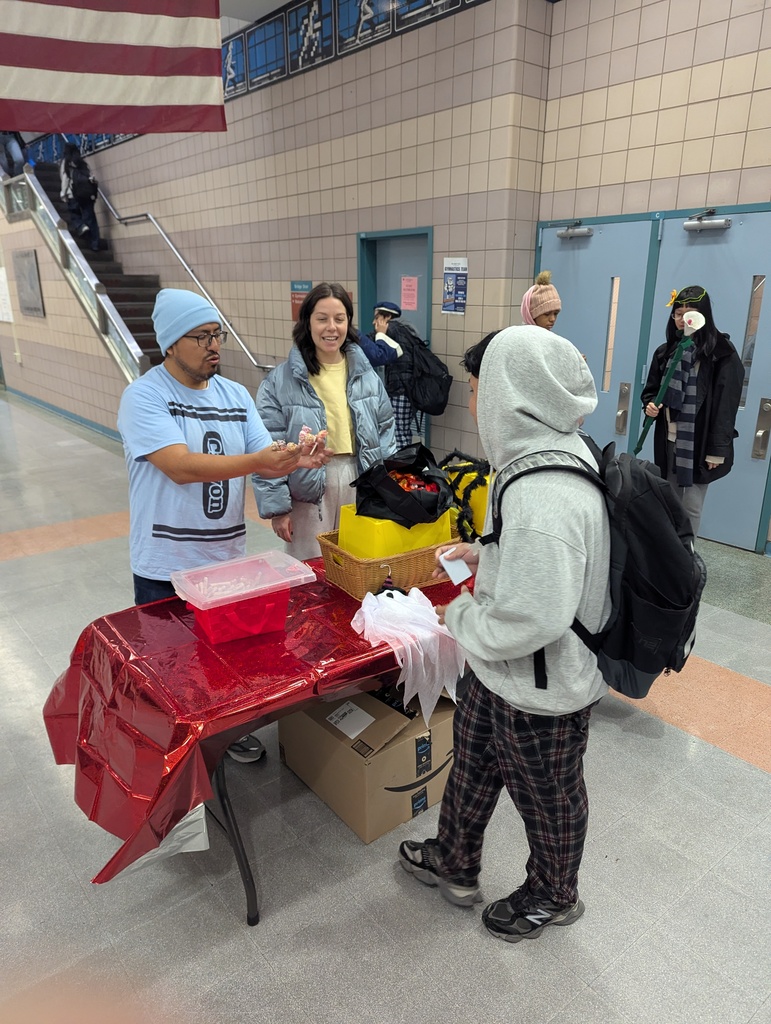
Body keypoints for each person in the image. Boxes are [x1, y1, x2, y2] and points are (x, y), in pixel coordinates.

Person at [397, 324, 611, 944]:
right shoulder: (534, 458)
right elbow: (534, 565)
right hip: (502, 670)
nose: (470, 402)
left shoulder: (546, 491)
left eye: (475, 388)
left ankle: (554, 893)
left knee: (549, 799)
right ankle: (454, 860)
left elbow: (535, 615)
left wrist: (460, 619)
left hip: (543, 688)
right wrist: (487, 554)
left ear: (507, 393)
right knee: (472, 767)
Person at [117, 288, 331, 763]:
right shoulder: (145, 397)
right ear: (171, 342)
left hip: (225, 562)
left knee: (220, 663)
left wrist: (298, 458)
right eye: (202, 336)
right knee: (169, 666)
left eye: (219, 335)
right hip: (165, 565)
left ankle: (222, 735)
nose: (215, 345)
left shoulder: (235, 395)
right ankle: (174, 756)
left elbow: (264, 461)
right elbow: (180, 465)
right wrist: (260, 459)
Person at [254, 282, 397, 560]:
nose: (331, 327)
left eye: (339, 319)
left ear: (348, 323)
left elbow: (385, 433)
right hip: (307, 486)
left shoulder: (367, 375)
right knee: (310, 569)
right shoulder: (280, 381)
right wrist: (278, 508)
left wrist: (388, 489)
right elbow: (269, 445)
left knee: (358, 564)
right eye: (322, 319)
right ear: (307, 322)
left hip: (360, 478)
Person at [641, 285, 743, 539]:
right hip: (669, 438)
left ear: (704, 315)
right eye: (678, 313)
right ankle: (668, 552)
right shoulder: (666, 352)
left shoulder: (722, 354)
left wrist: (717, 450)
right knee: (669, 500)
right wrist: (650, 405)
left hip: (700, 442)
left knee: (692, 505)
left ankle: (686, 557)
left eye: (690, 312)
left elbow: (725, 407)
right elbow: (651, 391)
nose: (683, 318)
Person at [368, 300, 423, 448]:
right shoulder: (405, 328)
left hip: (400, 390)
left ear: (385, 318)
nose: (374, 322)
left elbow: (368, 344)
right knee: (402, 432)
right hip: (408, 391)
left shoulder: (393, 330)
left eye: (376, 318)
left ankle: (401, 467)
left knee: (399, 434)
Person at [59, 142, 100, 252]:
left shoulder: (66, 163)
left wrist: (63, 193)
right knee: (90, 217)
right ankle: (95, 243)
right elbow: (90, 176)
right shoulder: (82, 162)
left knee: (74, 214)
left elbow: (65, 178)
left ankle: (82, 226)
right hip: (87, 193)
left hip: (74, 194)